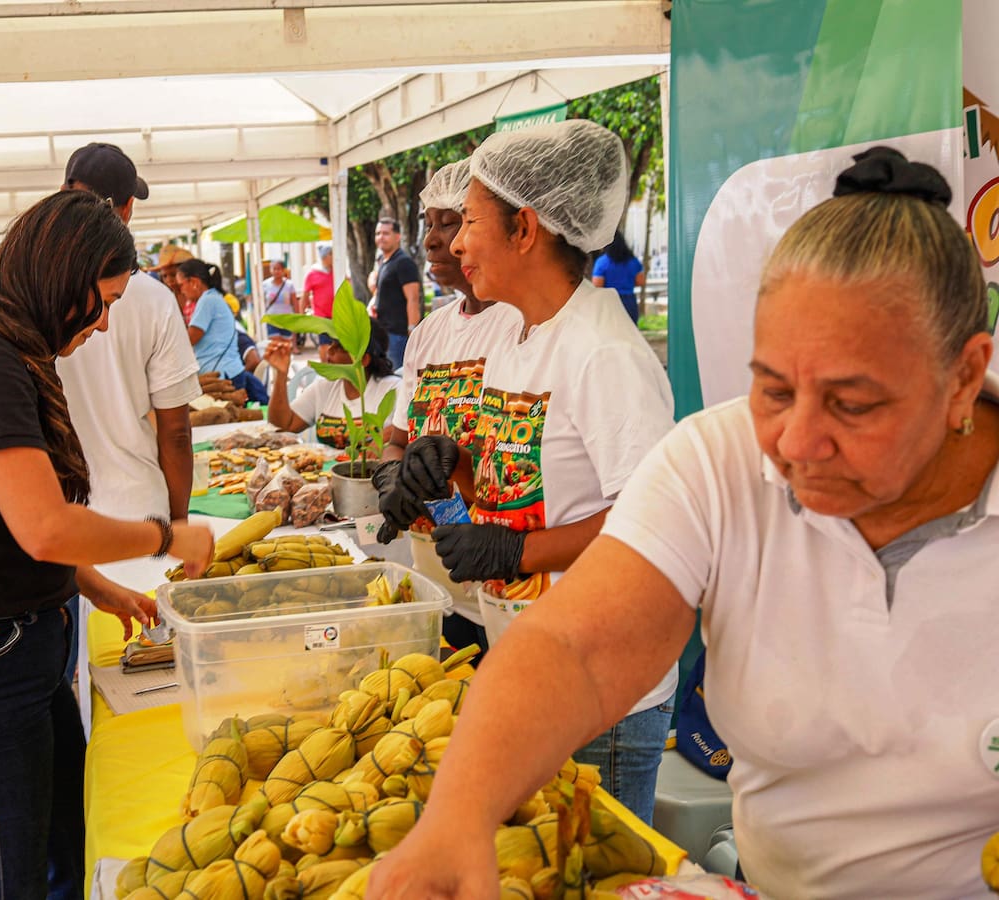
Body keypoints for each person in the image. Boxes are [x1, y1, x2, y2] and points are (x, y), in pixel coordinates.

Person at [367, 147, 999, 899]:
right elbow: (573, 647)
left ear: (965, 376)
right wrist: (459, 816)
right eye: (771, 388)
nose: (796, 442)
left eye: (852, 404)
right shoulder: (716, 463)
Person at [0, 191, 215, 899]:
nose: (105, 322)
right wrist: (166, 533)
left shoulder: (4, 345)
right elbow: (45, 525)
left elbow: (5, 520)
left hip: (7, 653)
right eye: (106, 299)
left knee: (64, 856)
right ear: (66, 275)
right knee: (11, 884)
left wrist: (96, 586)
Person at [380, 121, 677, 825]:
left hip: (601, 685)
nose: (453, 245)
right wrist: (451, 469)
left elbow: (653, 522)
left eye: (471, 223)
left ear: (525, 230)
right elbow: (514, 479)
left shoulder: (603, 354)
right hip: (536, 660)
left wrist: (519, 552)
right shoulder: (520, 338)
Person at [373, 159, 520, 647]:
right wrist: (393, 474)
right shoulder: (428, 333)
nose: (435, 240)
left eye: (451, 221)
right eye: (428, 225)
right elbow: (398, 439)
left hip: (510, 594)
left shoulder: (523, 326)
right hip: (440, 589)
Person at [56, 142, 201, 523]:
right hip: (139, 512)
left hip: (60, 515)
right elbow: (175, 431)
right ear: (127, 209)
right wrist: (180, 522)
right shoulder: (154, 299)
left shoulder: (32, 289)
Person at [264, 321, 400, 450]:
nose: (330, 350)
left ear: (364, 359)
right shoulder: (323, 388)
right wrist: (280, 375)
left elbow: (414, 426)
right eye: (332, 343)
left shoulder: (394, 389)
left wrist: (386, 436)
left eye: (340, 347)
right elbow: (284, 426)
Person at [181, 258, 253, 394]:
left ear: (194, 282)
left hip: (223, 374)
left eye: (181, 285)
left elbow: (189, 339)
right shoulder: (211, 298)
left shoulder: (207, 300)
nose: (181, 291)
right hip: (225, 371)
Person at [372, 217, 422, 370]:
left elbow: (413, 299)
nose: (381, 237)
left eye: (386, 233)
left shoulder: (403, 262)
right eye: (378, 233)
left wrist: (413, 332)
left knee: (397, 382)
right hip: (383, 333)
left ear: (397, 236)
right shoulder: (385, 261)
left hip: (398, 336)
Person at [592, 228, 646, 323]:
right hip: (629, 301)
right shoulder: (633, 261)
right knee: (630, 333)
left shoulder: (602, 263)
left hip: (610, 302)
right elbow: (640, 281)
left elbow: (597, 285)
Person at [303, 244, 336, 360]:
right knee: (324, 344)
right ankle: (325, 368)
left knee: (336, 344)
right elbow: (305, 295)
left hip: (337, 315)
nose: (334, 256)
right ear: (324, 257)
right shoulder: (312, 274)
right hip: (322, 316)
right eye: (331, 254)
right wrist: (302, 314)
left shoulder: (337, 272)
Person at [148, 243, 194, 321]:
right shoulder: (164, 297)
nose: (169, 280)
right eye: (165, 276)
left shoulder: (196, 297)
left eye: (173, 274)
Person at [263, 260, 299, 345]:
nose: (276, 271)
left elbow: (294, 302)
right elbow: (262, 302)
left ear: (283, 270)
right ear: (270, 270)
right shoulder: (265, 285)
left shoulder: (289, 285)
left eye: (279, 269)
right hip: (272, 319)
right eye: (274, 269)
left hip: (286, 319)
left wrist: (297, 317)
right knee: (275, 343)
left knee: (286, 346)